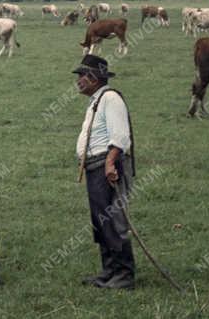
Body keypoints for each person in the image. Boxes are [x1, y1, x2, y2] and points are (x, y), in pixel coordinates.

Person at [73, 54, 136, 289]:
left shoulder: (110, 98)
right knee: (101, 222)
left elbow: (120, 136)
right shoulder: (97, 100)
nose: (78, 80)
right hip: (95, 167)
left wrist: (110, 164)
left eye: (81, 76)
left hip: (108, 167)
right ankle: (109, 271)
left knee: (115, 221)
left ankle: (123, 275)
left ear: (94, 78)